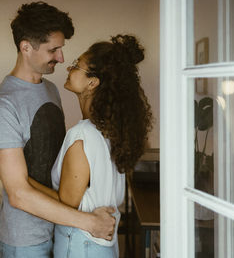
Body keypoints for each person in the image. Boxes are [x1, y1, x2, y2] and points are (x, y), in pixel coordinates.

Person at [0, 1, 116, 258]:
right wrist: (89, 221)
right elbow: (19, 193)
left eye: (61, 49)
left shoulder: (51, 90)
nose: (61, 58)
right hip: (25, 240)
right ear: (26, 47)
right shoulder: (3, 105)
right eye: (53, 50)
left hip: (62, 230)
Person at [29, 34, 153, 257]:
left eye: (77, 65)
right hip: (104, 245)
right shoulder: (111, 131)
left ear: (92, 82)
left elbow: (66, 203)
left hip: (80, 245)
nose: (69, 67)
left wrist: (22, 179)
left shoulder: (82, 135)